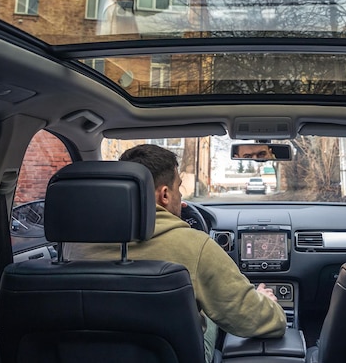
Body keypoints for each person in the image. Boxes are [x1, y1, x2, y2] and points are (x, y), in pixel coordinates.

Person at [69, 144, 286, 363]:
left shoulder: (71, 248)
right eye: (178, 187)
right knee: (211, 313)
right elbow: (257, 320)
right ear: (164, 194)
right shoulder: (194, 246)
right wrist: (267, 303)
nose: (181, 196)